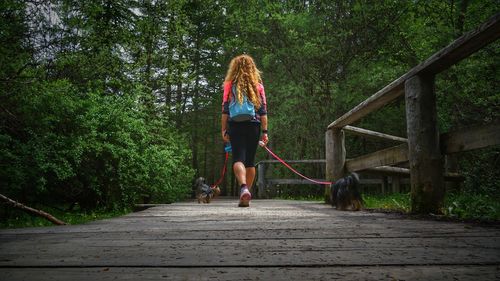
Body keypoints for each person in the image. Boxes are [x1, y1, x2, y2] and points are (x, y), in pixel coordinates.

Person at [221, 54, 269, 207]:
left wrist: (224, 129)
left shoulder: (229, 84)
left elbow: (225, 109)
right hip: (254, 125)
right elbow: (263, 111)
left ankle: (243, 188)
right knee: (250, 162)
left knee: (238, 159)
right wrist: (265, 132)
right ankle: (245, 195)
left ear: (234, 68)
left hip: (235, 125)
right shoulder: (258, 86)